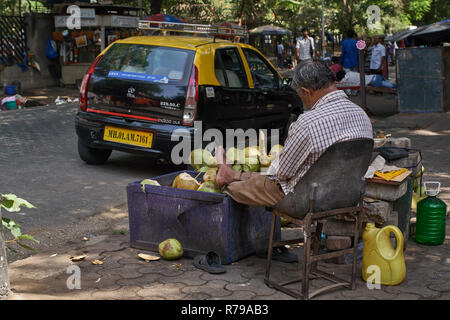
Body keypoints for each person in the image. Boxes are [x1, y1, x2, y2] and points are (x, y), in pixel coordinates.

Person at [215, 59, 373, 208]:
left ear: (306, 92)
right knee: (267, 179)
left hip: (307, 200)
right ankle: (232, 174)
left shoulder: (307, 123)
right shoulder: (361, 114)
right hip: (347, 196)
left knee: (237, 189)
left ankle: (231, 178)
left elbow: (281, 173)